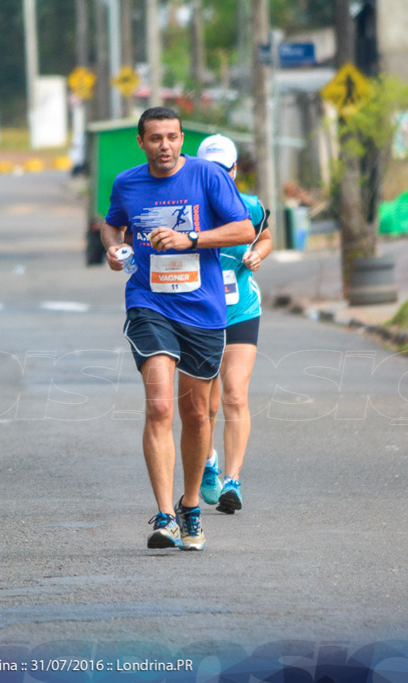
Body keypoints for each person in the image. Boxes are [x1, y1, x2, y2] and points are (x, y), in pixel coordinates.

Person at [102, 107, 254, 551]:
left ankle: (190, 507)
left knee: (195, 413)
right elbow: (113, 226)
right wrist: (114, 250)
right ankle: (164, 514)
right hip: (149, 304)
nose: (164, 146)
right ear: (141, 142)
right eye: (155, 138)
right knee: (160, 409)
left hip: (203, 310)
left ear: (182, 138)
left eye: (171, 137)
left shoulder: (208, 176)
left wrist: (191, 240)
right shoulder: (128, 183)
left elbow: (243, 228)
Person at [195, 135, 271, 515]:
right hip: (199, 314)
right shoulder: (189, 209)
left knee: (235, 394)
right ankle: (208, 461)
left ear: (234, 170)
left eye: (224, 170)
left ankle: (233, 480)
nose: (219, 177)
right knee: (204, 403)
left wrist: (257, 254)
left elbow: (266, 237)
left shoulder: (249, 206)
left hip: (242, 310)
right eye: (210, 171)